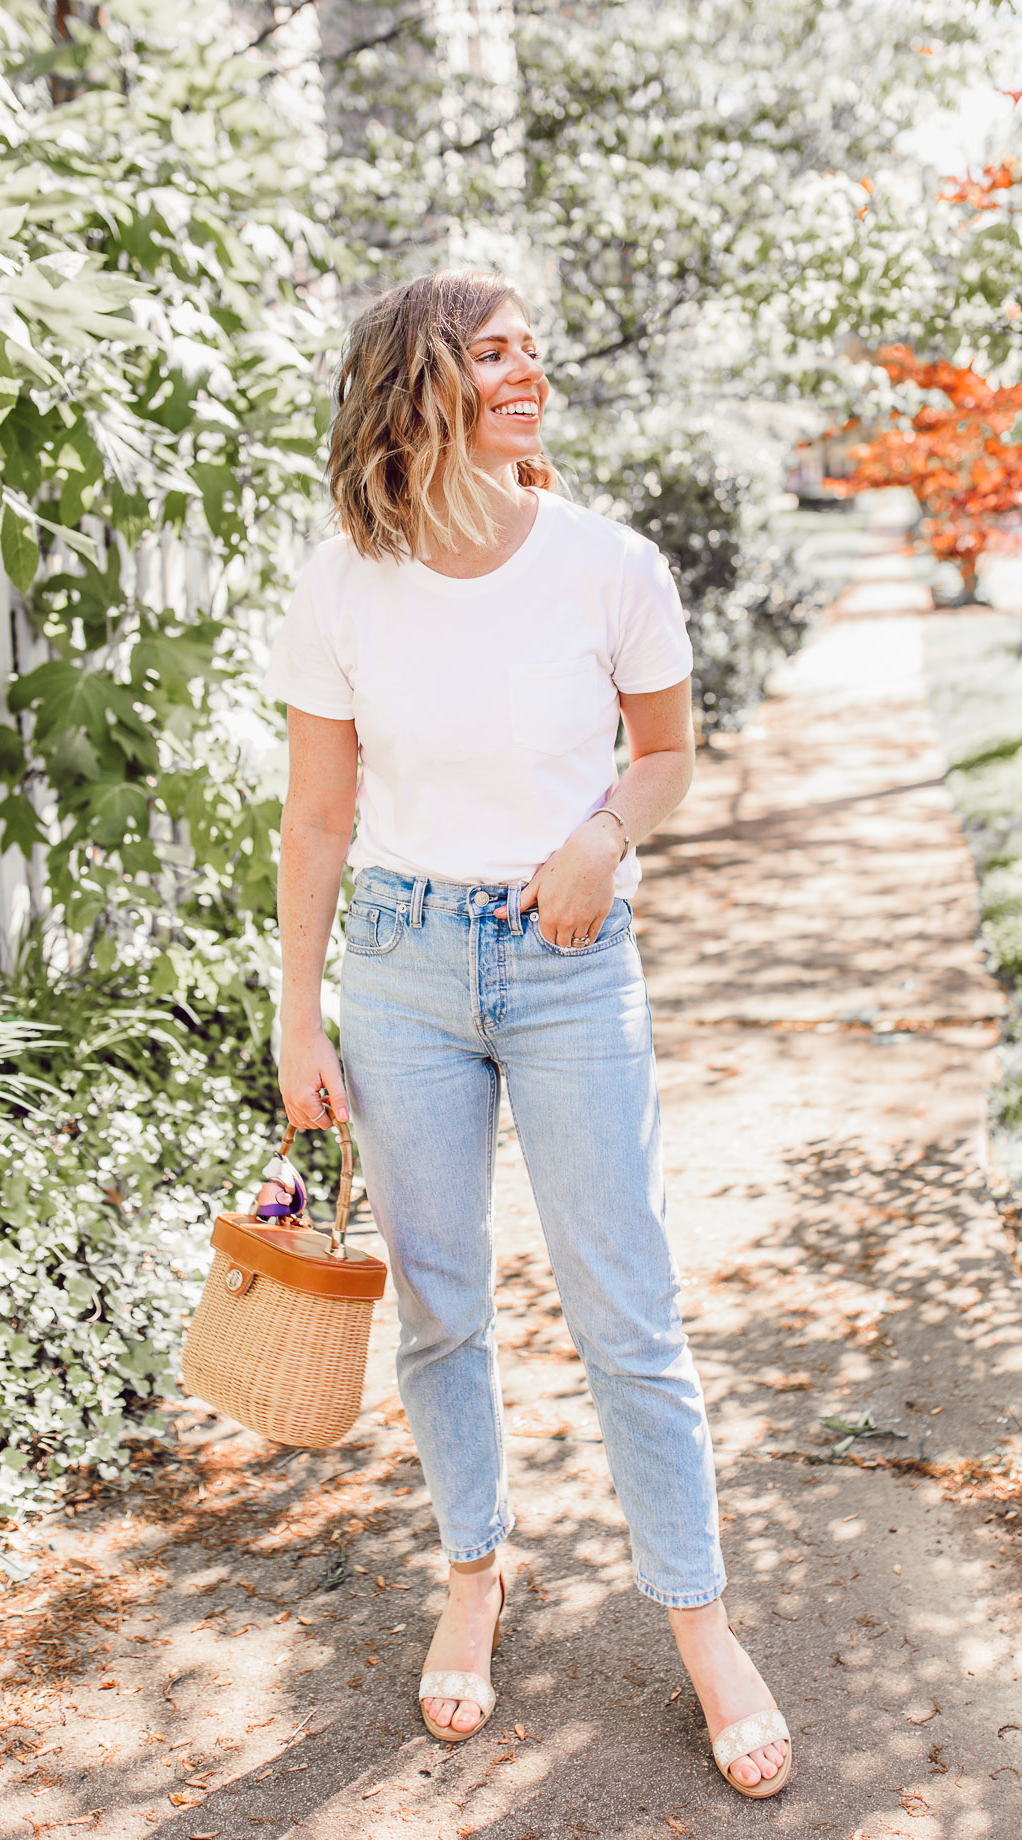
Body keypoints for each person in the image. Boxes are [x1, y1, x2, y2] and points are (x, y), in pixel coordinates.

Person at [265, 268, 792, 1801]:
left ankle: (699, 1623)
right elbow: (316, 814)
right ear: (415, 378)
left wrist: (600, 840)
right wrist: (297, 1013)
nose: (527, 373)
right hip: (402, 966)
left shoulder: (606, 564)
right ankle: (475, 1570)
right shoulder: (343, 583)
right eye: (493, 352)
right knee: (439, 1308)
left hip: (567, 965)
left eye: (533, 353)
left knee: (625, 1308)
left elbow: (669, 753)